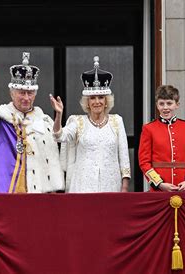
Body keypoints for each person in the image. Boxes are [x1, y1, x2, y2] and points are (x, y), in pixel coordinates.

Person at [0, 52, 64, 193]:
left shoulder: (44, 121)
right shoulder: (3, 117)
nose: (26, 97)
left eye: (30, 93)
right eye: (21, 92)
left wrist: (58, 115)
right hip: (6, 185)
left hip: (37, 189)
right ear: (12, 93)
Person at [50, 56, 130, 192]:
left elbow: (124, 156)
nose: (97, 101)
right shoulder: (78, 122)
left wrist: (125, 186)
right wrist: (58, 115)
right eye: (92, 98)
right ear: (87, 102)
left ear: (106, 101)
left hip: (110, 185)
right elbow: (59, 136)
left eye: (101, 97)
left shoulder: (117, 121)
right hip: (82, 185)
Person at [138, 85, 185, 192]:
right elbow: (144, 162)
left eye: (169, 103)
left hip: (184, 187)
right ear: (157, 106)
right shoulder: (148, 129)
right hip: (160, 188)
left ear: (177, 105)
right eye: (161, 104)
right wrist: (159, 184)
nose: (165, 107)